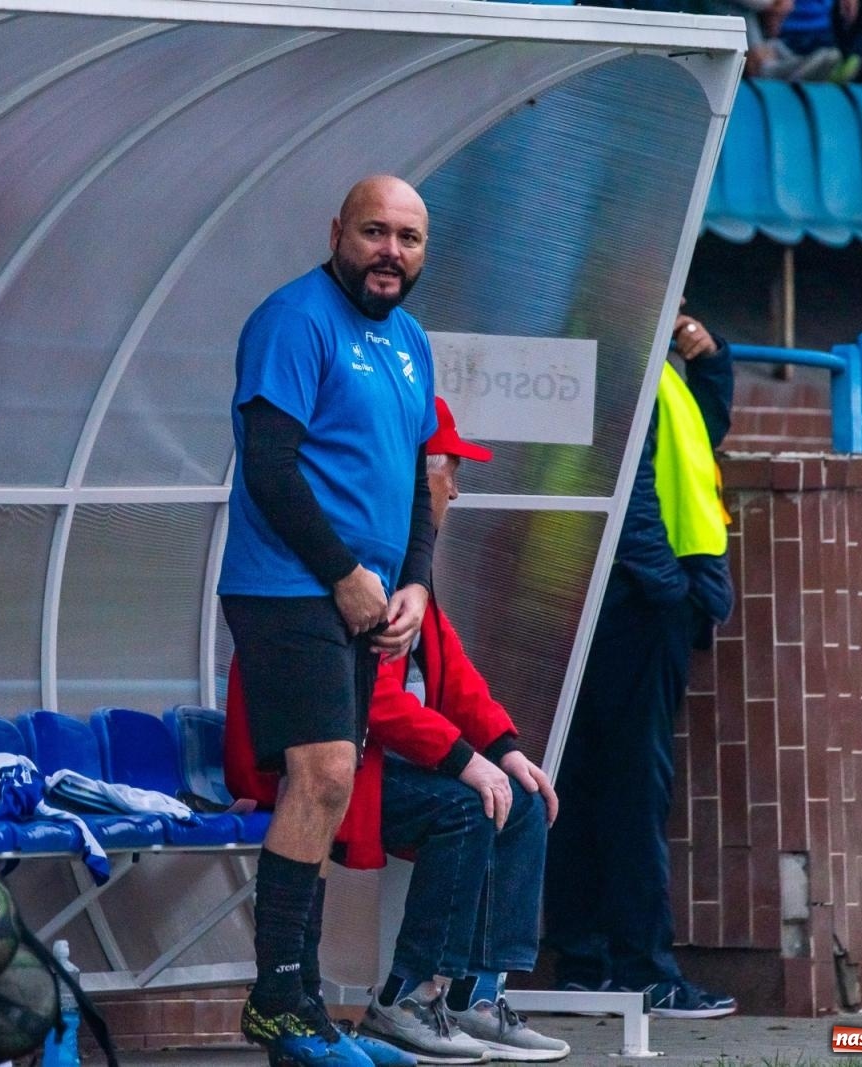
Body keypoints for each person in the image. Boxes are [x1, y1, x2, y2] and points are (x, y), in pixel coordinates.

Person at [226, 397, 570, 1064]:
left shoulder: (408, 572)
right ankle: (406, 997)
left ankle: (475, 991)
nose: (456, 489)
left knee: (522, 799)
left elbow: (455, 671)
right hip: (323, 771)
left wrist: (504, 748)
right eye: (449, 471)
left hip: (374, 768)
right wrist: (467, 760)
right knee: (467, 805)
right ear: (419, 473)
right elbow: (371, 700)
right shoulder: (357, 562)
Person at [218, 175, 439, 1067]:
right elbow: (269, 466)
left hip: (365, 596)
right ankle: (277, 1002)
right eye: (376, 232)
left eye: (410, 238)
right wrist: (346, 573)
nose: (392, 252)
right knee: (321, 773)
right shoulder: (295, 318)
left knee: (332, 787)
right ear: (337, 229)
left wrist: (415, 584)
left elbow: (420, 478)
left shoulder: (413, 339)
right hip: (286, 584)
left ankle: (302, 1006)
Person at [543, 310, 738, 1019]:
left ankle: (585, 963)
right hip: (634, 602)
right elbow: (626, 497)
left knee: (590, 783)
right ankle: (643, 971)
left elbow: (702, 436)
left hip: (615, 597)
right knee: (632, 790)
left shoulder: (649, 365)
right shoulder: (623, 361)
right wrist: (669, 590)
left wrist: (711, 360)